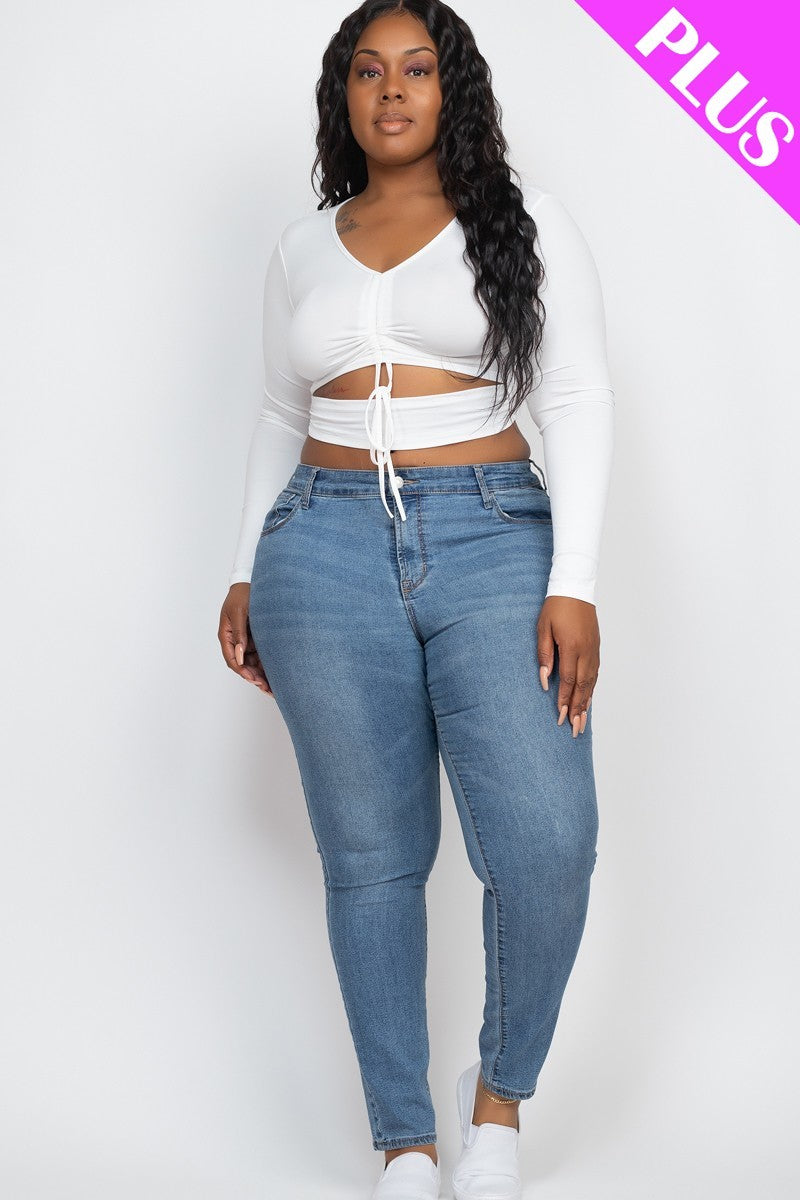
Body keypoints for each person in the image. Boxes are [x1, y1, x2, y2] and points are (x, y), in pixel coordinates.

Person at [217, 3, 614, 1197]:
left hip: (494, 535)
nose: (391, 90)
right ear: (343, 95)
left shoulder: (523, 218)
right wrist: (244, 564)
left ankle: (496, 1104)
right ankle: (402, 1138)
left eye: (417, 69)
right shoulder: (302, 246)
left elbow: (574, 396)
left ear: (452, 91)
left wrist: (573, 582)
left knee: (545, 842)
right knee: (370, 858)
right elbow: (279, 412)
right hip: (319, 546)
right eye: (367, 71)